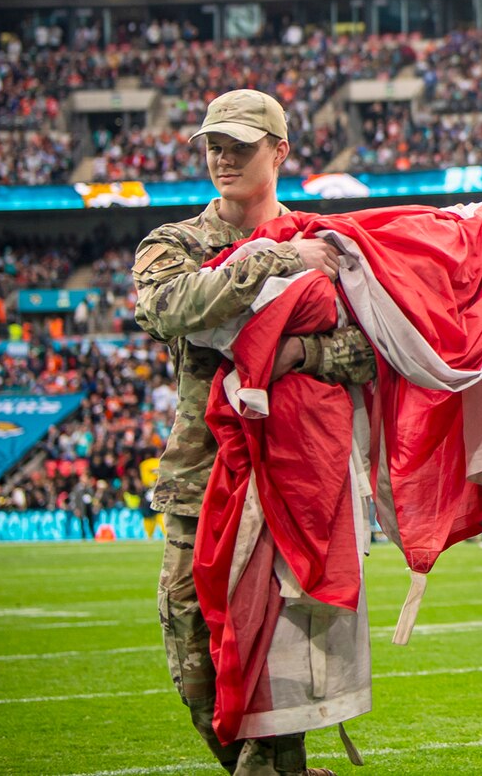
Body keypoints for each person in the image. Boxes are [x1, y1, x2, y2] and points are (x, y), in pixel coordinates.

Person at [133, 89, 365, 776]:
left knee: (275, 679)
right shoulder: (173, 243)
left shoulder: (325, 239)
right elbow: (170, 307)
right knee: (197, 677)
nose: (223, 156)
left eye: (240, 143)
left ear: (280, 150)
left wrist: (304, 354)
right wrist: (275, 262)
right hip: (200, 485)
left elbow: (368, 350)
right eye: (214, 143)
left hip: (292, 490)